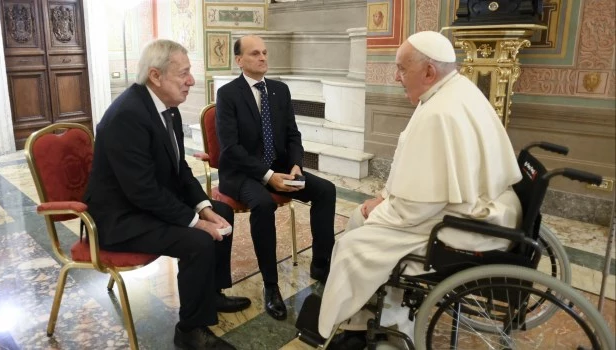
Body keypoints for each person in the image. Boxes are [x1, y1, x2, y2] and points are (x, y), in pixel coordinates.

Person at [317, 31, 523, 341]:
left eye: (401, 68)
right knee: (362, 218)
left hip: (461, 225)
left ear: (428, 71)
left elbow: (417, 208)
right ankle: (374, 312)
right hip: (482, 209)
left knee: (352, 245)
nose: (396, 77)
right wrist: (385, 197)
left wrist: (380, 210)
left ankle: (358, 323)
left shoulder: (439, 112)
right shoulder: (457, 89)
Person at [84, 39, 250, 350]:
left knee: (222, 212)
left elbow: (179, 168)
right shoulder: (127, 116)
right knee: (198, 241)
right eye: (184, 73)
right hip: (121, 218)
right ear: (155, 76)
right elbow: (141, 191)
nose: (191, 81)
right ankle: (189, 329)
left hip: (144, 203)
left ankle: (211, 294)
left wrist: (202, 207)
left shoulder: (166, 109)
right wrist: (194, 222)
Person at [215, 35, 337, 321]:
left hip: (281, 168)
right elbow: (230, 149)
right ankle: (271, 286)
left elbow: (293, 134)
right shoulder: (228, 94)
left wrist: (295, 165)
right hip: (242, 173)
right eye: (255, 53)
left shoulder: (280, 90)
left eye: (265, 53)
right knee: (262, 204)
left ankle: (321, 264)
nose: (262, 58)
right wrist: (268, 176)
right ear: (239, 60)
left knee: (326, 190)